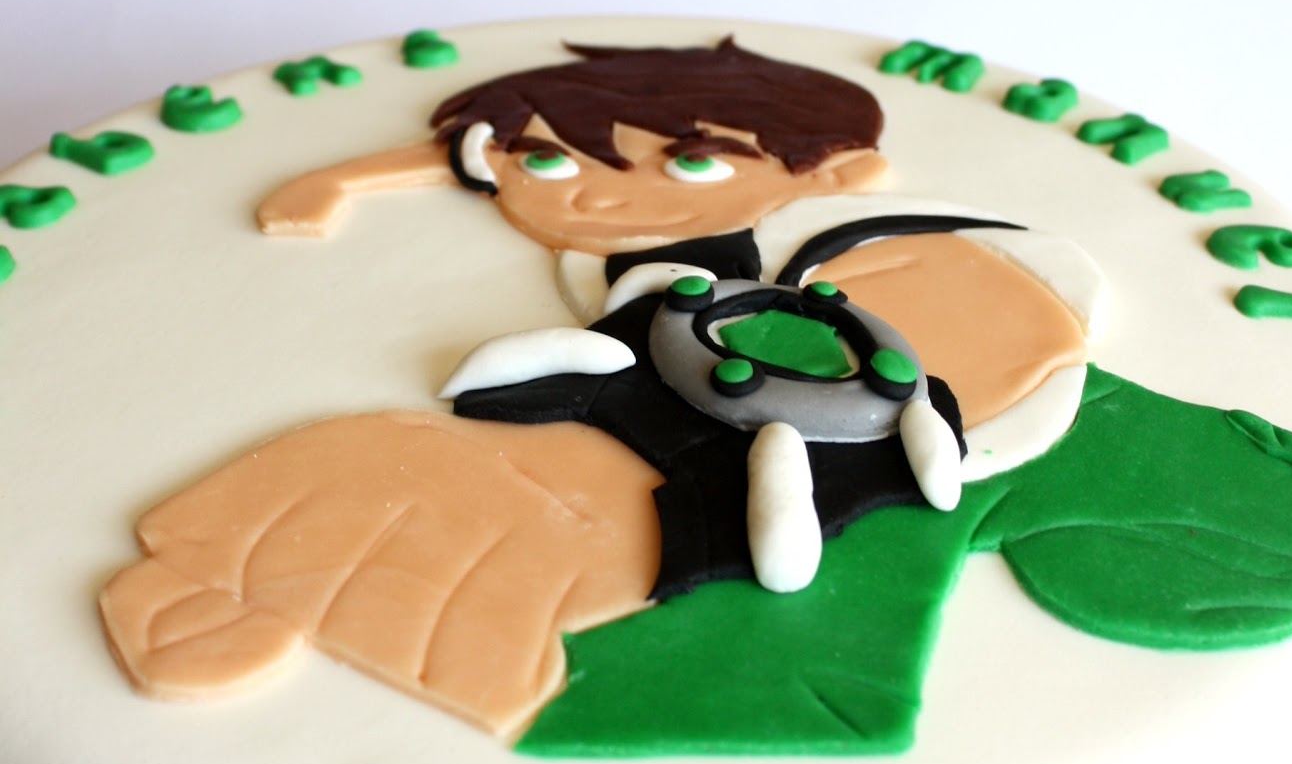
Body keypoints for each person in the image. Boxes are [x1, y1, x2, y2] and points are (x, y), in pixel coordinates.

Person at [258, 37, 1094, 596]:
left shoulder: (845, 264)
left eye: (693, 163)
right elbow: (478, 144)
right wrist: (335, 181)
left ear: (831, 174)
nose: (594, 192)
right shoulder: (626, 270)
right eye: (544, 161)